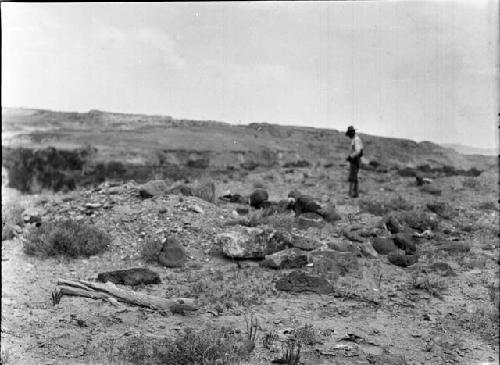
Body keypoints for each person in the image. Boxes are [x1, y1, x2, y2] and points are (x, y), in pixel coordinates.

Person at [345, 125, 363, 198]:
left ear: (352, 132)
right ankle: (355, 193)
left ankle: (350, 194)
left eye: (349, 133)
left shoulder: (356, 139)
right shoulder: (355, 139)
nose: (349, 135)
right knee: (354, 177)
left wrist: (351, 156)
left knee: (352, 177)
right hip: (355, 159)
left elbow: (358, 151)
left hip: (355, 160)